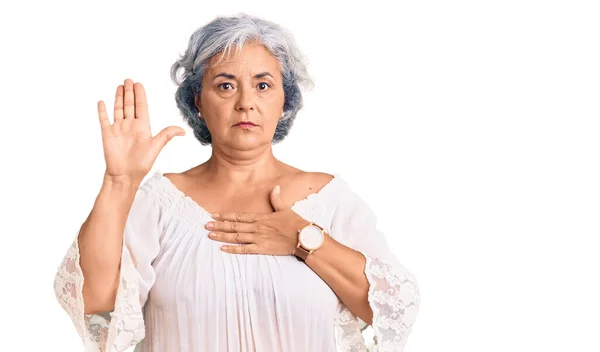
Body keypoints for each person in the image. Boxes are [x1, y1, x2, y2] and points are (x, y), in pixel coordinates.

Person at [53, 13, 420, 352]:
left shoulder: (327, 199)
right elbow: (96, 309)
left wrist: (303, 239)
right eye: (226, 86)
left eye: (263, 85)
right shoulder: (161, 202)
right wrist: (120, 182)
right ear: (198, 100)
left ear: (284, 101)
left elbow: (394, 308)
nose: (246, 102)